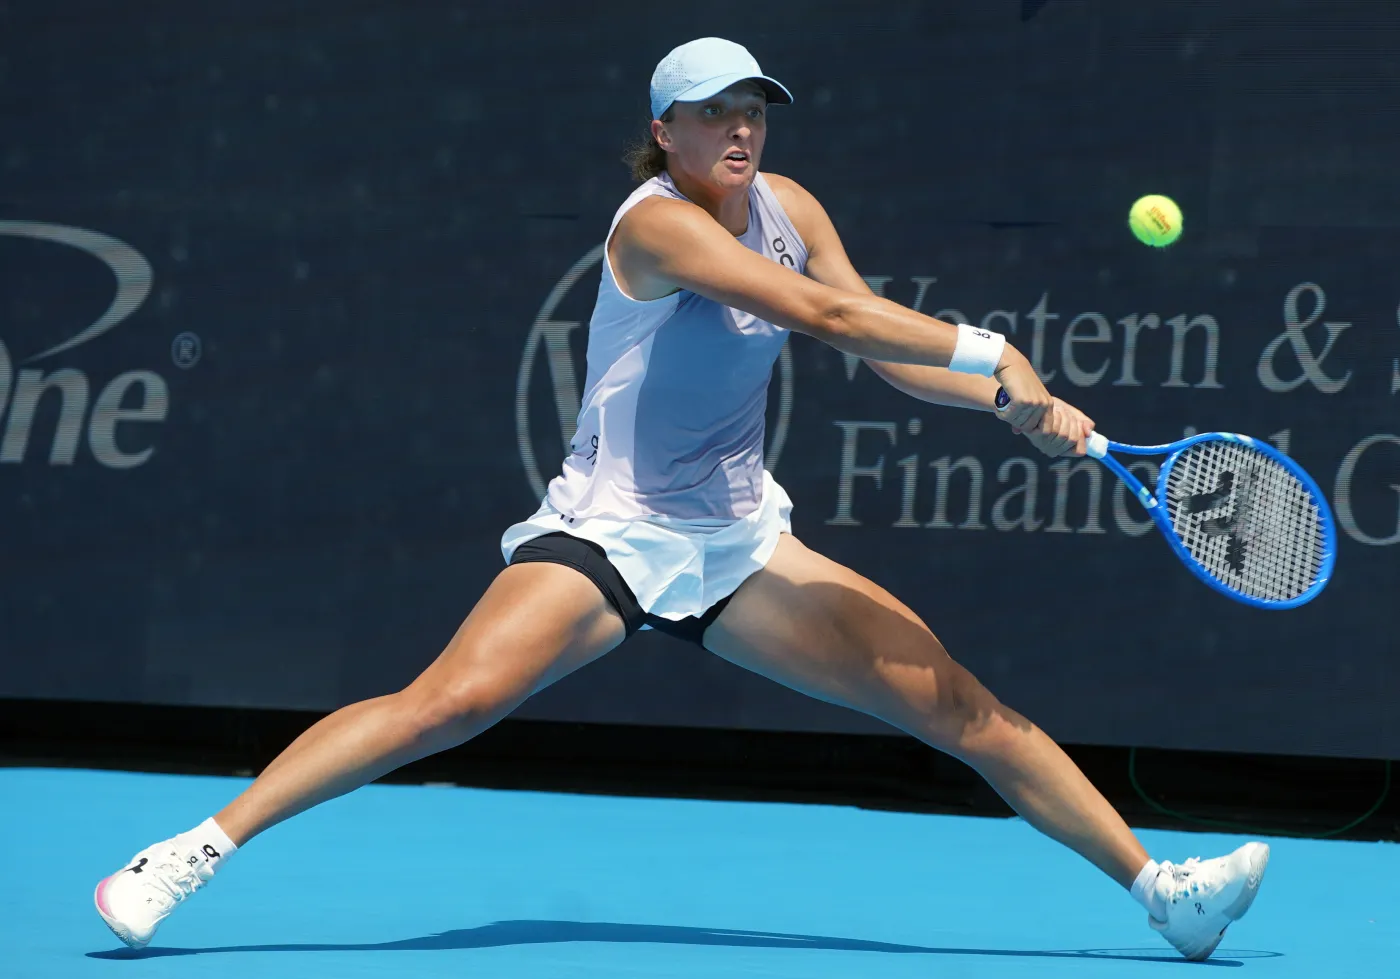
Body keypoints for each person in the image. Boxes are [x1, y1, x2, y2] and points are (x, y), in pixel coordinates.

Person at [94, 36, 1268, 962]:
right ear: (664, 133)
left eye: (752, 107)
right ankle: (189, 851)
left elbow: (881, 353)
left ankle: (1160, 893)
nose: (739, 127)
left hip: (739, 539)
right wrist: (994, 350)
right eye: (712, 111)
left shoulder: (789, 206)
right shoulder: (656, 228)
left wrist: (1007, 398)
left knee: (960, 705)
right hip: (607, 532)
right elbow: (829, 318)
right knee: (442, 705)